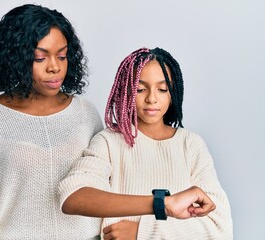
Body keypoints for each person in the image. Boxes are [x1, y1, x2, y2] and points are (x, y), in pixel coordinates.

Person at [0, 4, 104, 240]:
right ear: (15, 59)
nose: (55, 67)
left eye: (62, 56)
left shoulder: (85, 114)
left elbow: (105, 189)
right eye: (40, 57)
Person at [59, 47, 233, 239]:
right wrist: (162, 204)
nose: (151, 98)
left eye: (162, 89)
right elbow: (73, 196)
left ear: (172, 93)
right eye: (140, 89)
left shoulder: (190, 145)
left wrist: (142, 232)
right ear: (126, 91)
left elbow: (220, 228)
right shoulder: (109, 142)